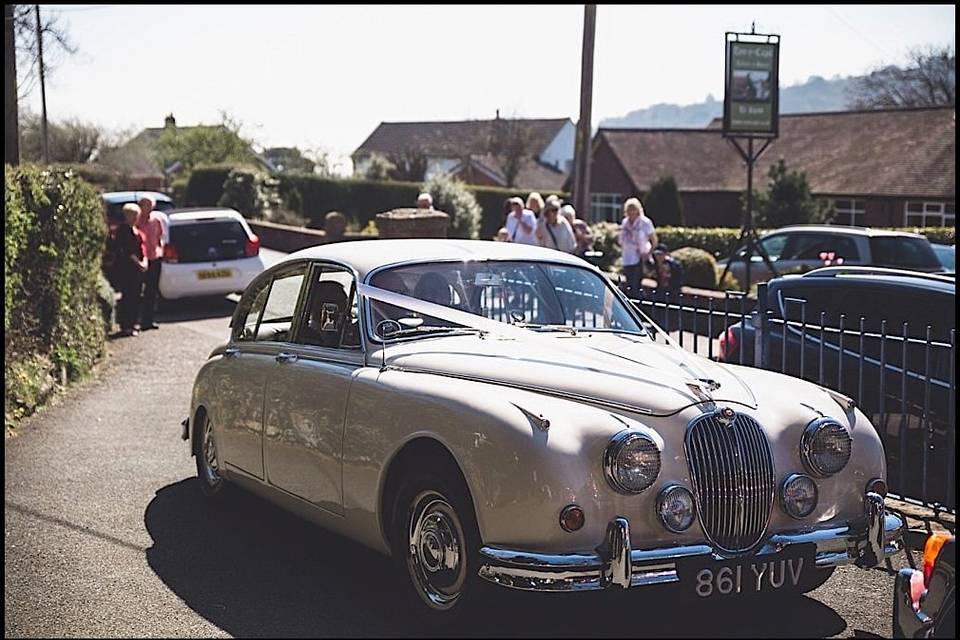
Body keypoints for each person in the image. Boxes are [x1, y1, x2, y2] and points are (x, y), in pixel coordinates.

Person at [114, 203, 148, 337]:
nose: (134, 218)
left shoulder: (136, 230)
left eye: (136, 215)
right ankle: (126, 325)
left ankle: (133, 323)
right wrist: (138, 263)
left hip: (137, 270)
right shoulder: (123, 230)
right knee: (128, 296)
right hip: (127, 269)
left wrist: (144, 261)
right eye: (132, 215)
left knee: (136, 296)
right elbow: (127, 250)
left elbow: (142, 248)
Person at [135, 195, 167, 331]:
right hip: (141, 260)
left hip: (154, 258)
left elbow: (160, 237)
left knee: (152, 291)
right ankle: (134, 320)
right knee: (137, 290)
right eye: (144, 205)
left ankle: (148, 320)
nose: (147, 208)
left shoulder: (156, 220)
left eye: (150, 205)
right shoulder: (136, 221)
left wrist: (161, 251)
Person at [619, 197, 658, 298]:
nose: (631, 213)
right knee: (628, 284)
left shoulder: (645, 223)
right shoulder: (625, 223)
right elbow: (621, 239)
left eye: (633, 210)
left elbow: (654, 240)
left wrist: (648, 253)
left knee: (636, 285)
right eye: (629, 210)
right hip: (627, 257)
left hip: (639, 257)